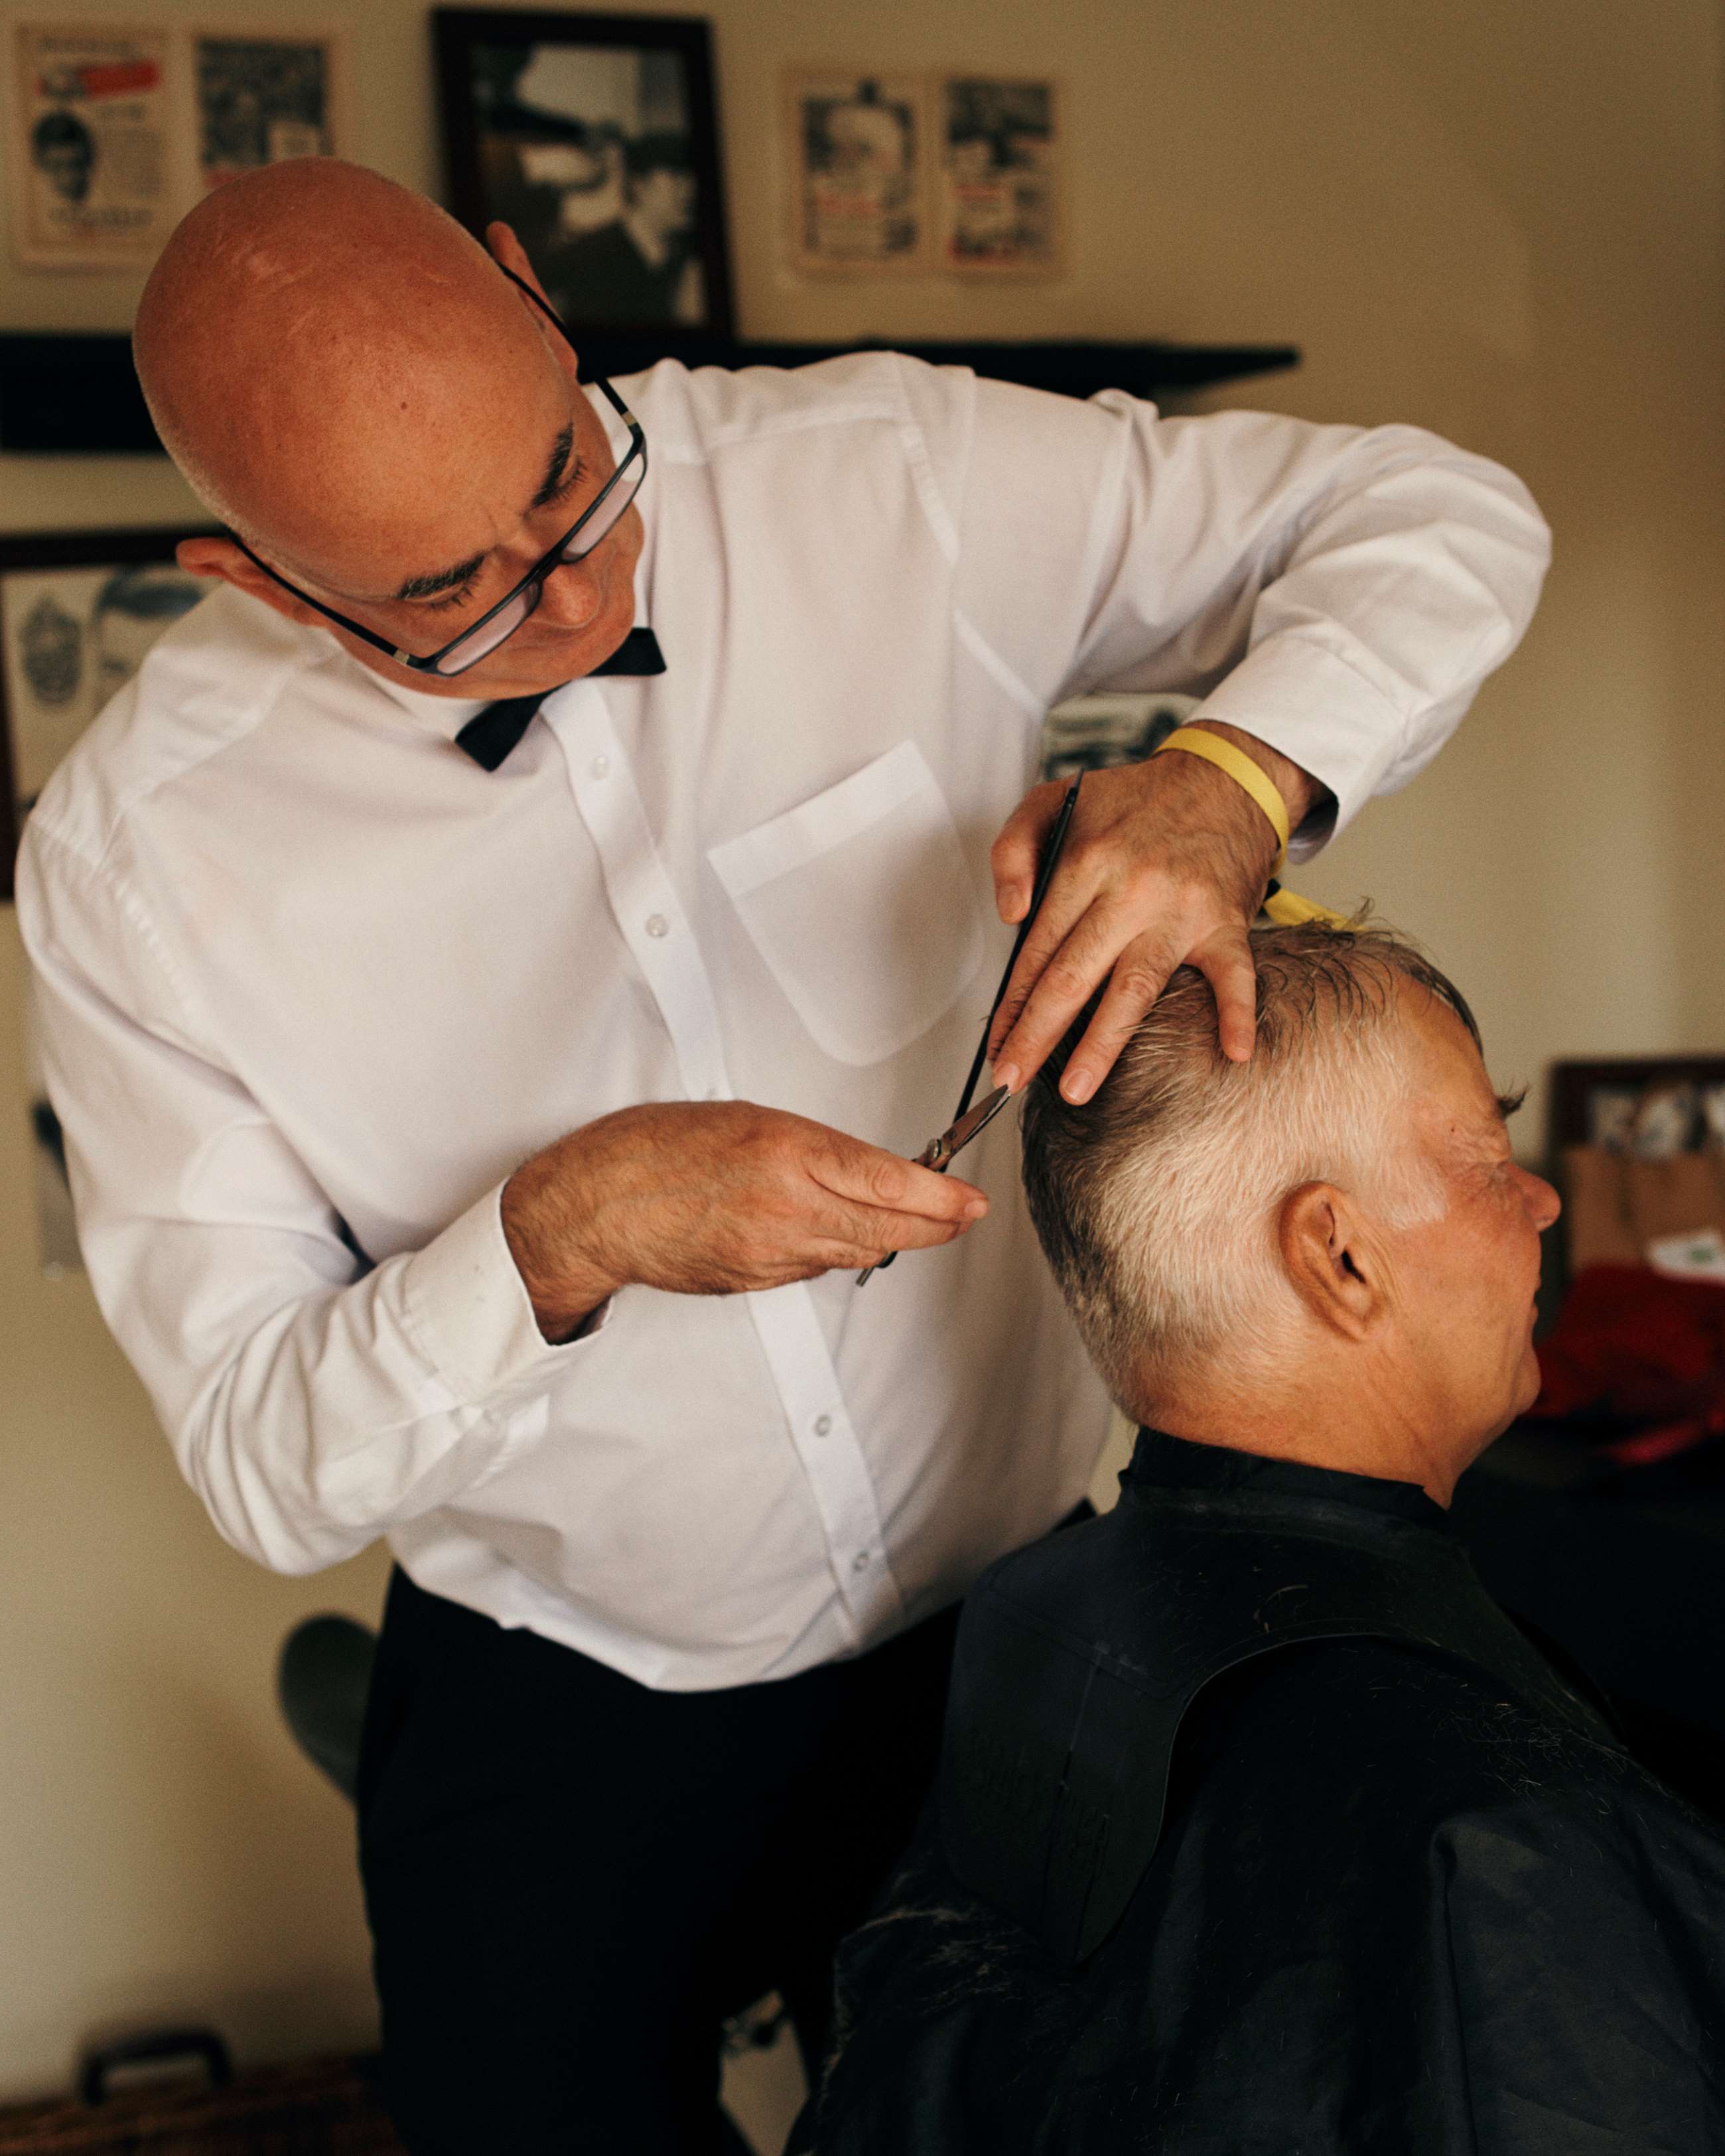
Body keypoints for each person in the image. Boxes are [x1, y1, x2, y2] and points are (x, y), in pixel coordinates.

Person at [17, 156, 1551, 2153]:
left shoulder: (874, 469)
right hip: (558, 1694)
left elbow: (1439, 512)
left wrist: (1227, 780)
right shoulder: (136, 868)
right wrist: (558, 1231)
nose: (579, 594)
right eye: (449, 594)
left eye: (567, 477)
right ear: (254, 578)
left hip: (1021, 1635)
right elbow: (262, 1460)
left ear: (529, 287)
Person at [795, 925, 1725, 2156]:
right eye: (1493, 1158)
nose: (1545, 1199)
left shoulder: (1031, 1605)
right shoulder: (1504, 1836)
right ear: (1339, 1257)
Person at [546, 131, 700, 326]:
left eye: (692, 179)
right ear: (638, 184)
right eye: (676, 177)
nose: (690, 190)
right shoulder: (590, 258)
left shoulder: (685, 259)